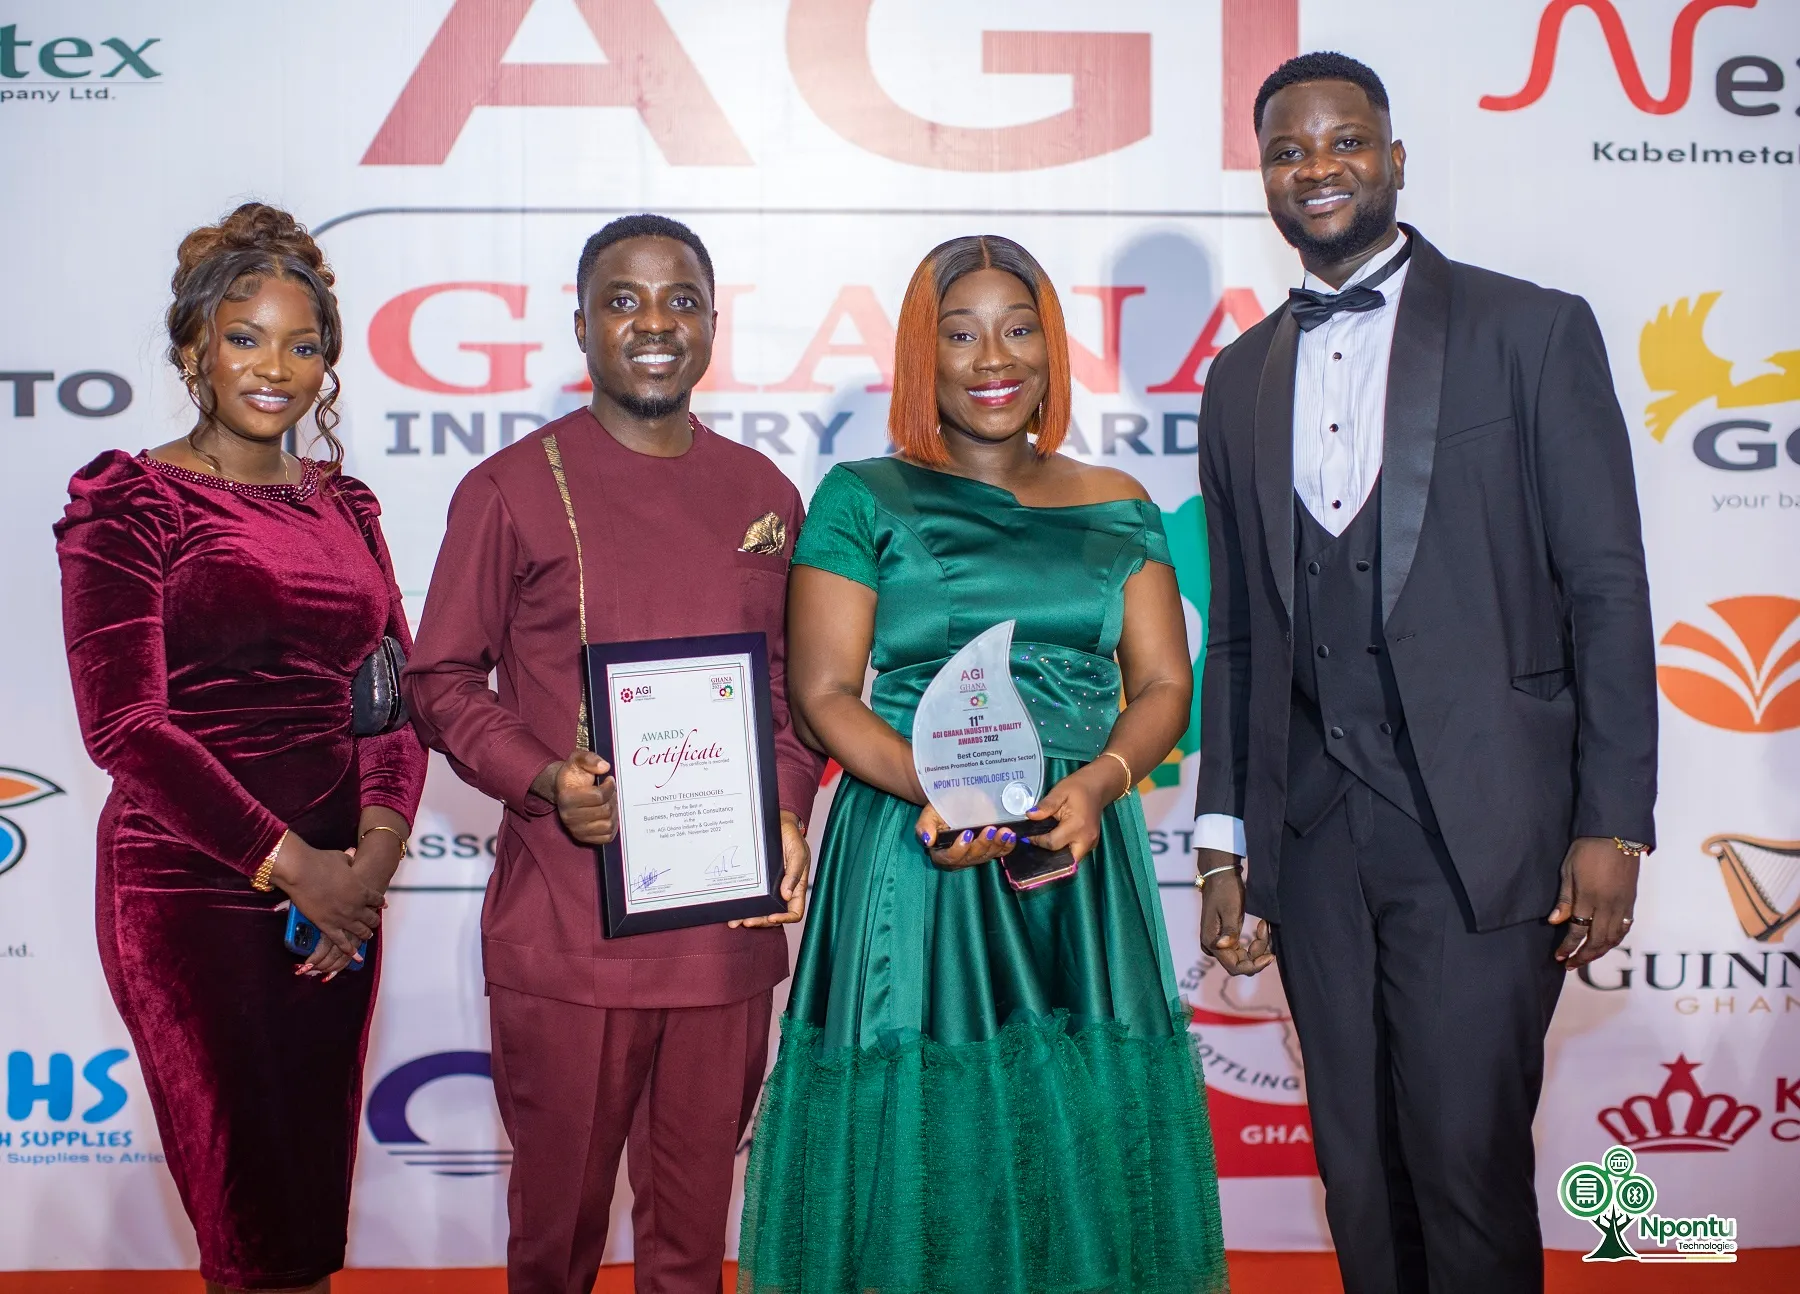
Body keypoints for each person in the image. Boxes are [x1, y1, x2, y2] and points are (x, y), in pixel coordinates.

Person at [1193, 53, 1657, 1293]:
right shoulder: (1238, 380)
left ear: (1395, 159)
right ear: (1264, 178)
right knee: (1358, 1175)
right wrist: (1225, 844)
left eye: (1346, 142)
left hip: (1484, 824)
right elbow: (1237, 632)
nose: (1319, 167)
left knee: (1464, 1163)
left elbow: (1608, 588)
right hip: (1311, 836)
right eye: (1290, 150)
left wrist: (1614, 820)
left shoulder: (1531, 330)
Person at [737, 235, 1227, 1294]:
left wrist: (1099, 782)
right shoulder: (863, 496)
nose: (992, 357)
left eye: (1017, 330)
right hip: (919, 846)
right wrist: (951, 791)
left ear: (1052, 349)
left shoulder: (1120, 500)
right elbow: (824, 694)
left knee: (1081, 1134)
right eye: (960, 333)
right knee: (926, 1129)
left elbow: (1163, 685)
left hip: (1076, 849)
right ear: (925, 353)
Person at [403, 214, 823, 1294]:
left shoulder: (767, 496)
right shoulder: (508, 488)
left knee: (691, 1250)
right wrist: (545, 779)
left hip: (723, 934)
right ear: (581, 323)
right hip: (568, 932)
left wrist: (784, 810)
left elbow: (789, 693)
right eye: (624, 300)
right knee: (557, 1244)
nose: (654, 323)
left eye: (681, 300)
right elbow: (440, 678)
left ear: (713, 323)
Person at [53, 203, 427, 1294]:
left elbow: (390, 703)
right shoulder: (132, 500)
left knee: (306, 1227)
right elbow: (125, 726)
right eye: (246, 338)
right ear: (194, 350)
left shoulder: (345, 506)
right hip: (192, 893)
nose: (276, 368)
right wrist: (297, 866)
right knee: (250, 1227)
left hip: (340, 901)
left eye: (303, 346)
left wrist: (367, 864)